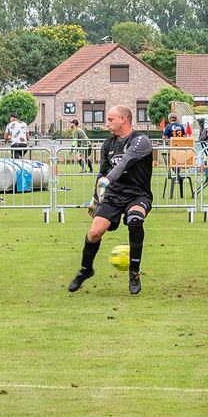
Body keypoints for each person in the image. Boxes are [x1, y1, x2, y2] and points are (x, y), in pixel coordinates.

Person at [68, 105, 154, 296]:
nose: (107, 123)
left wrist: (108, 180)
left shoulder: (141, 141)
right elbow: (102, 173)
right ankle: (86, 270)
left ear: (123, 119)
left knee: (135, 220)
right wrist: (95, 198)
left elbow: (124, 162)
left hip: (137, 195)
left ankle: (134, 273)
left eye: (110, 119)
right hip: (113, 195)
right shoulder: (108, 144)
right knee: (94, 233)